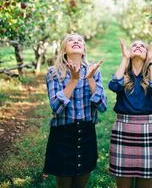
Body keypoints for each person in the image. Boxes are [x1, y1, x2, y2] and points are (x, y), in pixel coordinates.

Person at [43, 33, 107, 188]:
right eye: (71, 40)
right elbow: (56, 107)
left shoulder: (93, 72)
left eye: (80, 40)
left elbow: (103, 106)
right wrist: (74, 79)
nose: (76, 41)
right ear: (64, 49)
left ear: (84, 50)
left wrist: (90, 79)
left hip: (86, 133)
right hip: (62, 134)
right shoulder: (54, 72)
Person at [109, 38, 152, 188]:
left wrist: (151, 60)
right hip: (123, 128)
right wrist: (125, 59)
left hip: (147, 129)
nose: (138, 47)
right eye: (134, 45)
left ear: (147, 53)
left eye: (142, 46)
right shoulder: (124, 75)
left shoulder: (151, 75)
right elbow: (114, 85)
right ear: (129, 51)